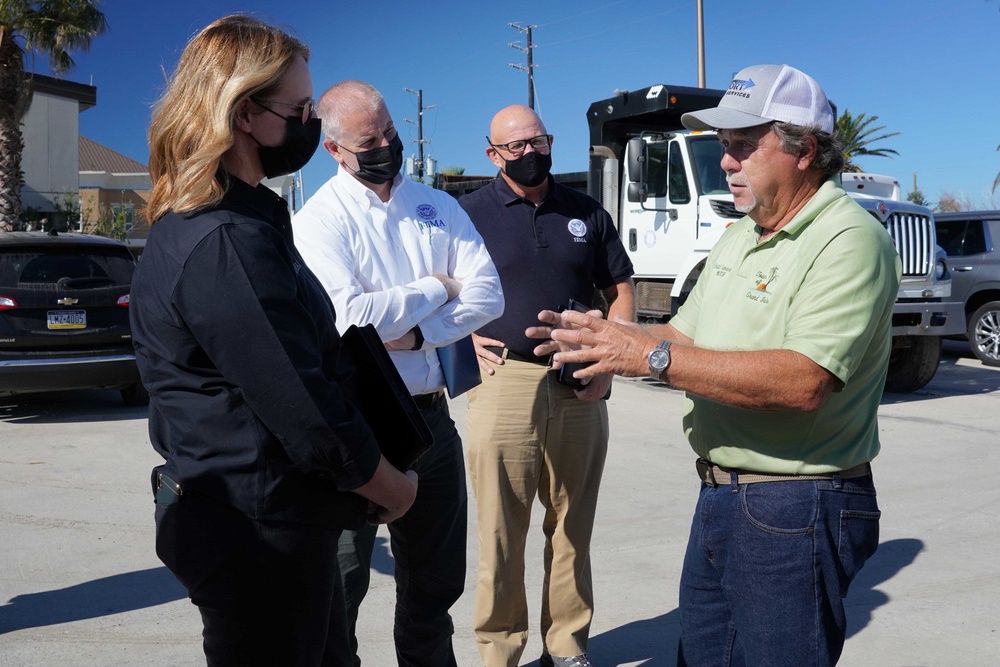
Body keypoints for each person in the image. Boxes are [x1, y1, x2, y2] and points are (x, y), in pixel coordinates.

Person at [526, 64, 902, 667]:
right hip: (723, 497)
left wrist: (646, 355)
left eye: (743, 146)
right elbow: (680, 333)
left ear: (803, 150)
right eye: (724, 146)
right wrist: (606, 348)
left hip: (796, 504)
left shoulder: (847, 238)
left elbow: (805, 381)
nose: (726, 162)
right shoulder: (741, 235)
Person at [131, 17, 418, 667]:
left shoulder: (230, 220)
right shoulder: (225, 241)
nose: (310, 126)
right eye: (298, 110)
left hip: (266, 522)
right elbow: (300, 403)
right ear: (243, 115)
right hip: (257, 535)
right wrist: (390, 486)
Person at [292, 80, 504, 667]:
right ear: (334, 150)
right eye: (369, 139)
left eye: (389, 129)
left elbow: (488, 294)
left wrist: (416, 333)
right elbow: (349, 320)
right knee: (341, 588)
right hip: (358, 428)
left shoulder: (438, 207)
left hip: (432, 423)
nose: (387, 143)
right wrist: (438, 287)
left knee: (434, 588)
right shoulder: (319, 222)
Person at [457, 104, 635, 667]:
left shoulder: (586, 211)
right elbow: (435, 289)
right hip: (502, 379)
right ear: (493, 155)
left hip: (579, 381)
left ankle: (567, 647)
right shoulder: (467, 214)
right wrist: (457, 343)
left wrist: (610, 358)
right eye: (516, 146)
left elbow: (620, 288)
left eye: (539, 141)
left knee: (571, 527)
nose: (531, 153)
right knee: (501, 534)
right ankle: (499, 652)